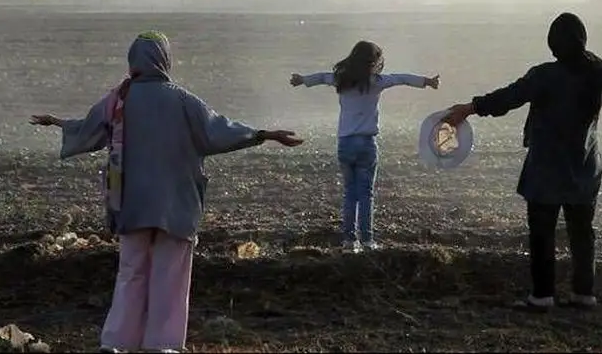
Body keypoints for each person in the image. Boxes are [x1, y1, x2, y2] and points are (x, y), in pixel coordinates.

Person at [30, 31, 303, 354]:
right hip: (177, 204)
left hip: (131, 203)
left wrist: (58, 122)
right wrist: (263, 134)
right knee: (170, 274)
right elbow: (218, 131)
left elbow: (90, 127)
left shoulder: (119, 99)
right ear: (164, 60)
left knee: (131, 271)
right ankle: (163, 344)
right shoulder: (183, 100)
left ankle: (116, 341)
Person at [441, 12, 602, 312]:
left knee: (542, 233)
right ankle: (585, 293)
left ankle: (542, 296)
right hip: (585, 168)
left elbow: (508, 98)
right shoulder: (600, 71)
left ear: (553, 45)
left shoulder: (544, 75)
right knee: (582, 232)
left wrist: (469, 107)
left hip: (546, 169)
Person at [289, 40, 439, 252]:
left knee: (350, 193)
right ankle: (367, 241)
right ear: (374, 62)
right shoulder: (376, 81)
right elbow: (401, 78)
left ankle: (349, 241)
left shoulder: (342, 79)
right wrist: (427, 81)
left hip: (345, 143)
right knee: (366, 193)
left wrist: (303, 80)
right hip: (366, 143)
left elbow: (323, 77)